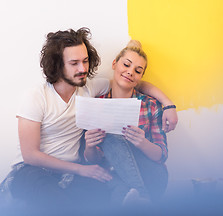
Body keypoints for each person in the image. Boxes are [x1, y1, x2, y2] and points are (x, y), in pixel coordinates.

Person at [0, 28, 177, 214]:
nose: (83, 69)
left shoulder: (89, 89)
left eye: (85, 61)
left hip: (71, 175)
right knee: (57, 202)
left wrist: (167, 104)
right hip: (33, 171)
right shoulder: (36, 97)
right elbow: (30, 156)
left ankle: (137, 200)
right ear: (57, 65)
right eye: (74, 63)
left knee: (99, 198)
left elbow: (129, 81)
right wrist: (80, 169)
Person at [83, 40, 170, 207]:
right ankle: (139, 198)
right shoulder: (96, 104)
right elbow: (93, 160)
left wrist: (142, 143)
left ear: (140, 78)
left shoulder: (150, 105)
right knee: (119, 191)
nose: (130, 72)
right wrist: (90, 146)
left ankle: (141, 194)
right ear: (115, 64)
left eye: (138, 71)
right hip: (112, 177)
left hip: (150, 175)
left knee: (114, 134)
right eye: (126, 65)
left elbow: (162, 155)